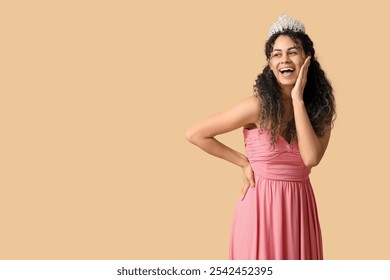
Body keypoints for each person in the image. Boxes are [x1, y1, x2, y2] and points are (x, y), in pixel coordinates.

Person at [185, 15, 336, 260]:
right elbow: (195, 134)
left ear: (307, 58)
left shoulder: (321, 108)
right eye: (276, 54)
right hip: (260, 209)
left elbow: (310, 158)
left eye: (293, 52)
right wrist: (242, 162)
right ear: (269, 62)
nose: (284, 59)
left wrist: (297, 99)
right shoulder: (258, 106)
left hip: (299, 209)